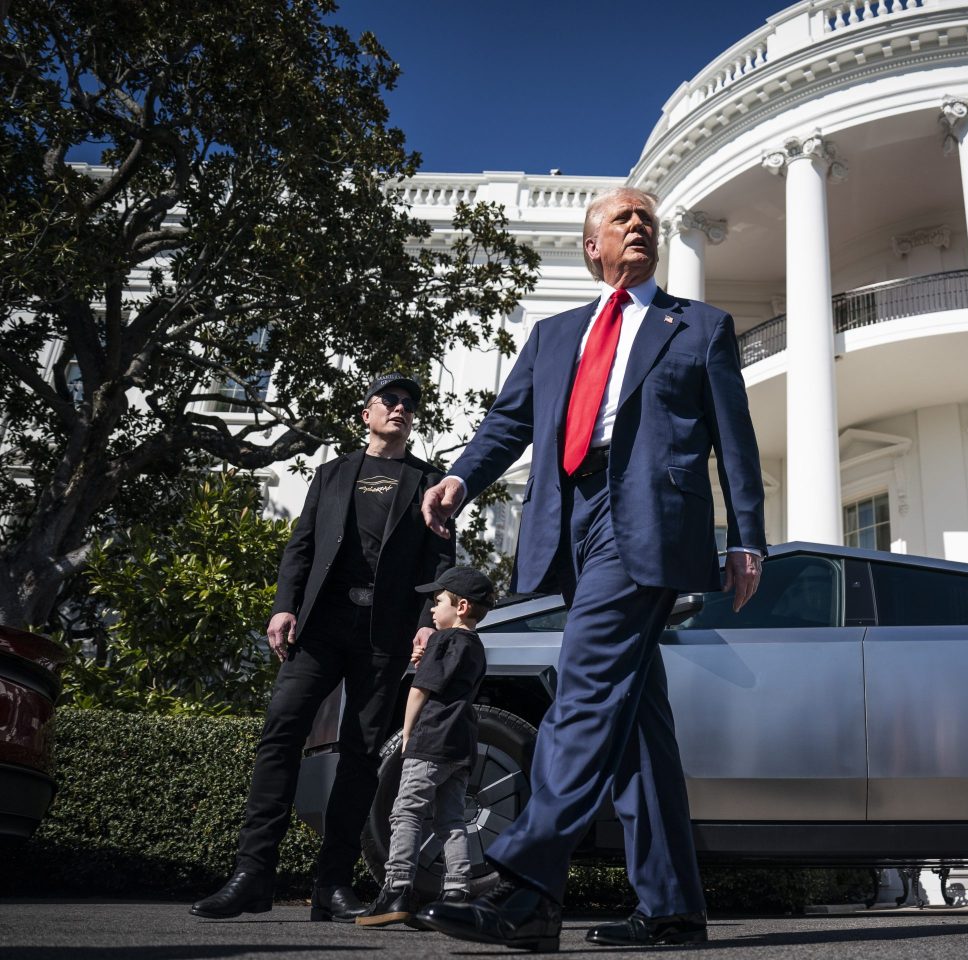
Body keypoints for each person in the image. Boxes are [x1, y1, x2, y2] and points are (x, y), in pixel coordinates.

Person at [413, 187, 766, 950]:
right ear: (592, 247)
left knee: (584, 684)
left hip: (647, 517)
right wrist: (461, 478)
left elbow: (734, 440)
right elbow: (508, 421)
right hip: (567, 515)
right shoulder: (554, 334)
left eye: (647, 219)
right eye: (621, 219)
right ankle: (671, 907)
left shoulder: (698, 325)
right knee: (638, 721)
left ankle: (526, 886)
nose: (638, 225)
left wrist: (747, 534)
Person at [192, 374, 455, 922]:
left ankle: (331, 884)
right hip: (320, 628)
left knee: (360, 755)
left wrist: (433, 621)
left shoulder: (429, 482)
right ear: (367, 414)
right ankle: (251, 874)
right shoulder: (333, 474)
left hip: (384, 636)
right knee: (281, 733)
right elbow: (302, 545)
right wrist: (283, 605)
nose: (402, 408)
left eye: (410, 403)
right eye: (391, 400)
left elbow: (440, 563)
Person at [358, 565, 495, 928]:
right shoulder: (475, 646)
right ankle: (457, 893)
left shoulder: (442, 640)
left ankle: (396, 889)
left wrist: (406, 733)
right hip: (461, 742)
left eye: (438, 602)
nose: (433, 610)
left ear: (461, 606)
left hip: (431, 738)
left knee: (407, 811)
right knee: (452, 820)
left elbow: (421, 690)